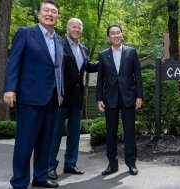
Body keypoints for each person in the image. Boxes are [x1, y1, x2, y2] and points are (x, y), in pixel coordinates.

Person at [3, 1, 63, 188]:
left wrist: (61, 93)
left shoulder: (59, 40)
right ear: (38, 14)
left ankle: (40, 176)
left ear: (57, 17)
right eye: (46, 10)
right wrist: (9, 88)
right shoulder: (26, 33)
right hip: (30, 98)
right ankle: (19, 181)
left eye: (54, 12)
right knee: (25, 142)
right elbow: (14, 62)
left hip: (52, 99)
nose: (50, 14)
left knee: (46, 142)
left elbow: (58, 69)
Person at [47, 18, 98, 180]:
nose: (77, 29)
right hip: (60, 97)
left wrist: (106, 60)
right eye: (74, 27)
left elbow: (87, 67)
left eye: (79, 27)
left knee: (74, 134)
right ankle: (49, 167)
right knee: (55, 134)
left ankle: (70, 164)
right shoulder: (59, 45)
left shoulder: (84, 49)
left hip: (77, 98)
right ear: (67, 29)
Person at [96, 24, 143, 176]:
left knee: (129, 131)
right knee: (111, 133)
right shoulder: (103, 55)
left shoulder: (132, 52)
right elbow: (100, 79)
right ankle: (112, 164)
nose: (115, 35)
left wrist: (139, 95)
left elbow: (138, 75)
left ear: (122, 34)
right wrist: (99, 99)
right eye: (112, 33)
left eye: (118, 33)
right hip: (110, 98)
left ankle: (131, 163)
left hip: (128, 96)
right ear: (108, 37)